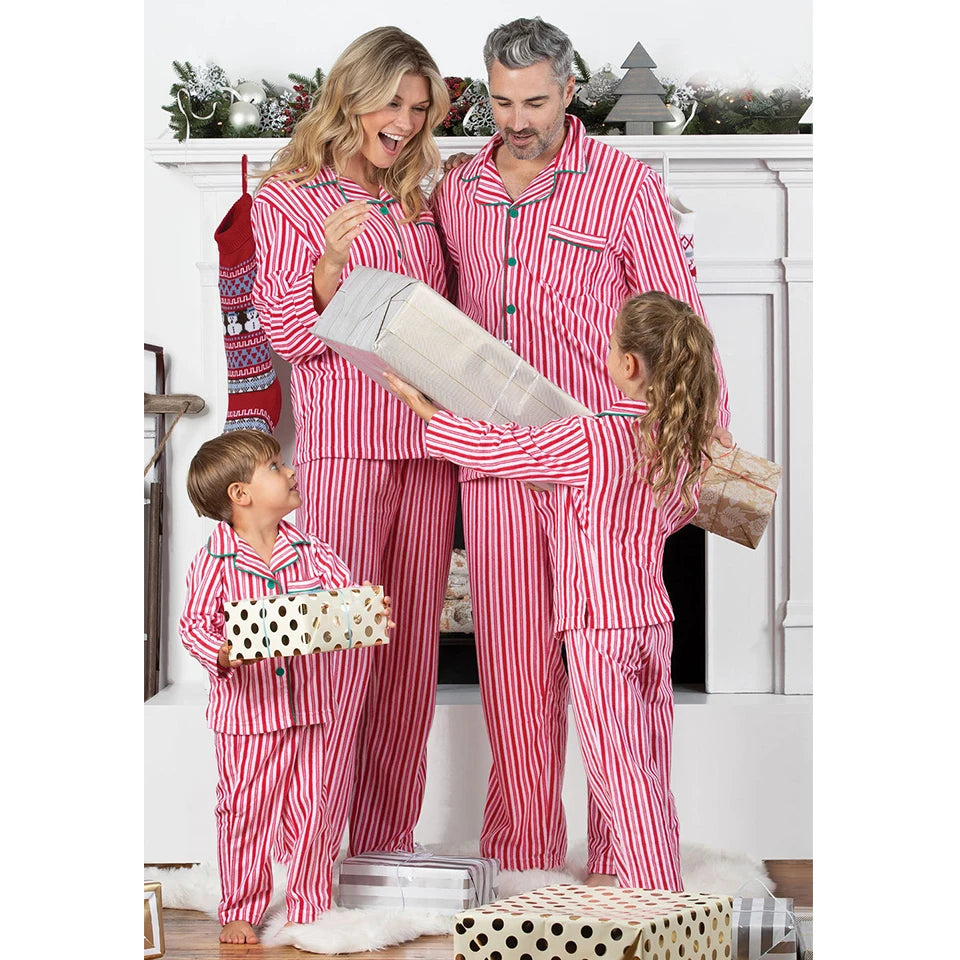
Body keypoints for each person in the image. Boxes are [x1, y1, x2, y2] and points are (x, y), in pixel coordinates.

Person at [430, 16, 732, 881]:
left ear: (569, 90)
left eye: (533, 100)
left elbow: (682, 322)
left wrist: (693, 451)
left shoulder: (624, 187)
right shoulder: (460, 190)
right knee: (516, 675)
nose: (514, 119)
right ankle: (522, 863)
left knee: (610, 688)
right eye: (498, 99)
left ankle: (627, 871)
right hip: (499, 465)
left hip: (599, 472)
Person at [386, 290, 719, 890]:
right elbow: (675, 514)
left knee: (622, 774)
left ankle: (656, 904)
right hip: (653, 623)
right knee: (649, 764)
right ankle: (629, 875)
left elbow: (496, 449)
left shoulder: (590, 436)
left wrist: (428, 413)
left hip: (598, 627)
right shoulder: (681, 447)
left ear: (627, 365)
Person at [250, 27, 459, 860]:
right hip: (344, 455)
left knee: (408, 665)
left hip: (428, 450)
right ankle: (306, 861)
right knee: (336, 655)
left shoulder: (417, 197)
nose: (405, 122)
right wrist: (328, 274)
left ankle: (384, 853)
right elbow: (289, 336)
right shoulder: (289, 198)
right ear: (351, 94)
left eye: (419, 108)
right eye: (393, 103)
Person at [179, 430, 392, 942]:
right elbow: (193, 625)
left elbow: (344, 602)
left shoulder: (311, 551)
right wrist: (224, 650)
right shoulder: (215, 562)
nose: (292, 469)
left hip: (313, 710)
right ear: (240, 495)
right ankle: (241, 907)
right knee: (245, 811)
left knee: (316, 806)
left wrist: (368, 613)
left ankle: (310, 901)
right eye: (275, 467)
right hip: (248, 716)